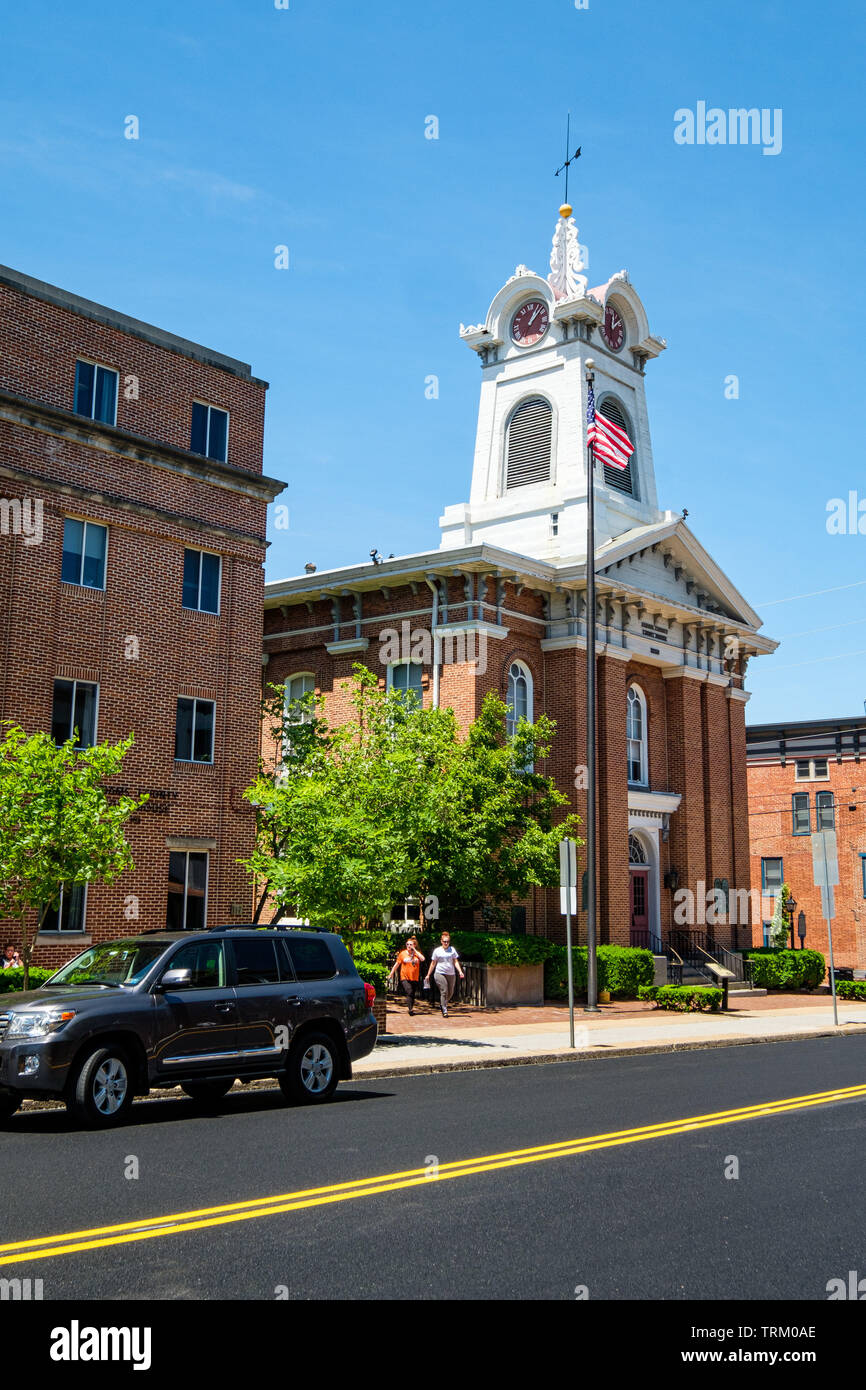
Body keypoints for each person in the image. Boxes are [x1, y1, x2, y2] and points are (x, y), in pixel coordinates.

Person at [425, 931, 464, 1018]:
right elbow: (433, 963)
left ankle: (443, 1004)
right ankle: (445, 1010)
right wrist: (428, 974)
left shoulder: (452, 950)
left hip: (451, 973)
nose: (446, 943)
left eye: (447, 941)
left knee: (450, 992)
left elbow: (455, 961)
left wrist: (460, 971)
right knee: (444, 990)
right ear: (441, 941)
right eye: (444, 941)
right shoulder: (437, 951)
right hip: (439, 973)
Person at [387, 935, 425, 1017]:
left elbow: (423, 959)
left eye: (411, 944)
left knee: (412, 993)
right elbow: (397, 964)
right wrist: (391, 973)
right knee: (409, 991)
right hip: (404, 976)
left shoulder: (417, 954)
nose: (408, 946)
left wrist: (415, 951)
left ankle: (411, 1007)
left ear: (414, 945)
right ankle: (410, 1009)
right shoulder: (402, 953)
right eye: (407, 944)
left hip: (414, 977)